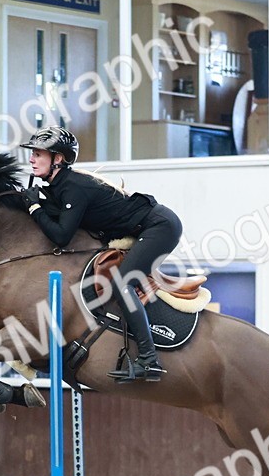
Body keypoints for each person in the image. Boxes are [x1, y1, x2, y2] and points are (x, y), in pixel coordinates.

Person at [18, 126, 182, 383]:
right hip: (146, 226)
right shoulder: (60, 185)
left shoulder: (73, 187)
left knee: (122, 284)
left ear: (58, 158)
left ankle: (149, 360)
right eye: (33, 154)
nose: (31, 159)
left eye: (38, 154)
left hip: (160, 227)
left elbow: (61, 235)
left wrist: (35, 207)